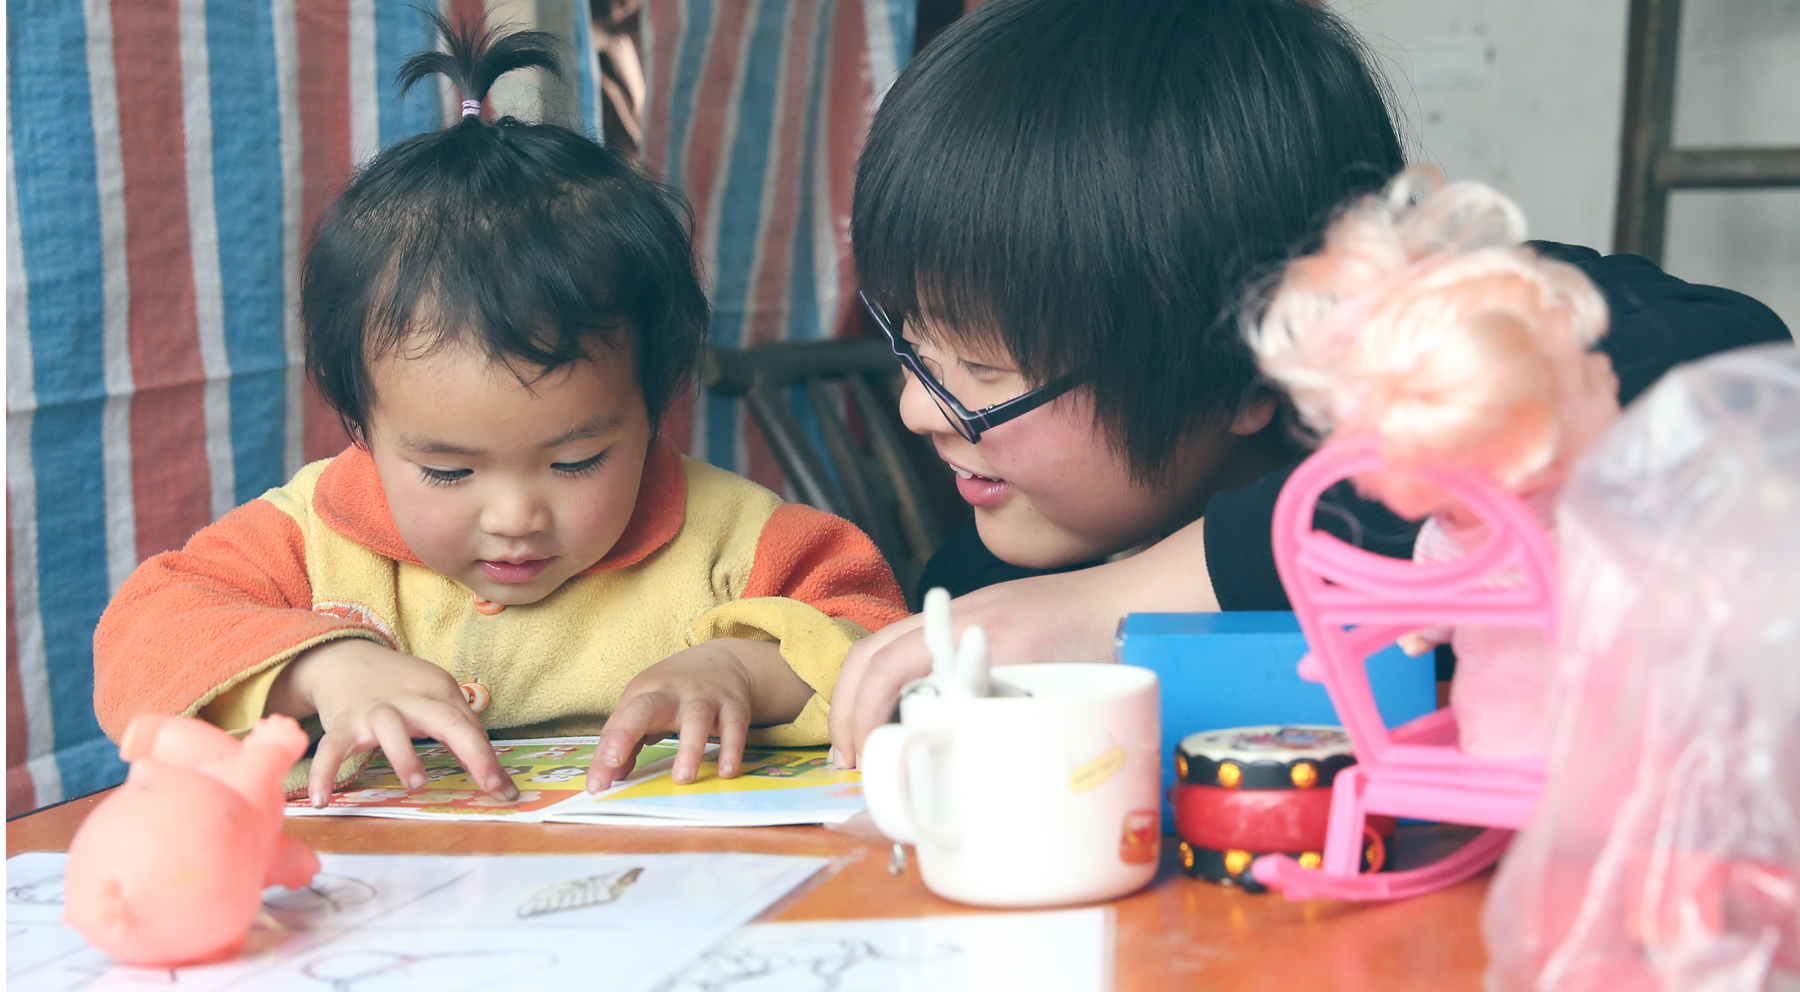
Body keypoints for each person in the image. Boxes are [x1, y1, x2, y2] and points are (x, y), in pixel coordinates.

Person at [827, 0, 1791, 767]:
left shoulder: (1420, 394)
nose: (918, 409)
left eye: (986, 370)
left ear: (1252, 358)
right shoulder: (988, 583)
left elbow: (1711, 361)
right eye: (910, 345)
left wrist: (1123, 599)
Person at [93, 16, 907, 806]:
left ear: (652, 404)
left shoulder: (731, 537)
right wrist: (322, 666)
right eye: (447, 470)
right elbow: (140, 639)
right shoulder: (309, 539)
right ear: (361, 424)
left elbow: (883, 638)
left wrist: (743, 669)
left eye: (576, 461)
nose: (515, 516)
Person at [1248, 167, 1620, 760]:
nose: (1610, 372)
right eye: (1585, 379)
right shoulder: (1592, 529)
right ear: (1527, 444)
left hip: (1489, 737)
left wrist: (1414, 624)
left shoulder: (1456, 537)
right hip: (1595, 750)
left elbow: (1427, 606)